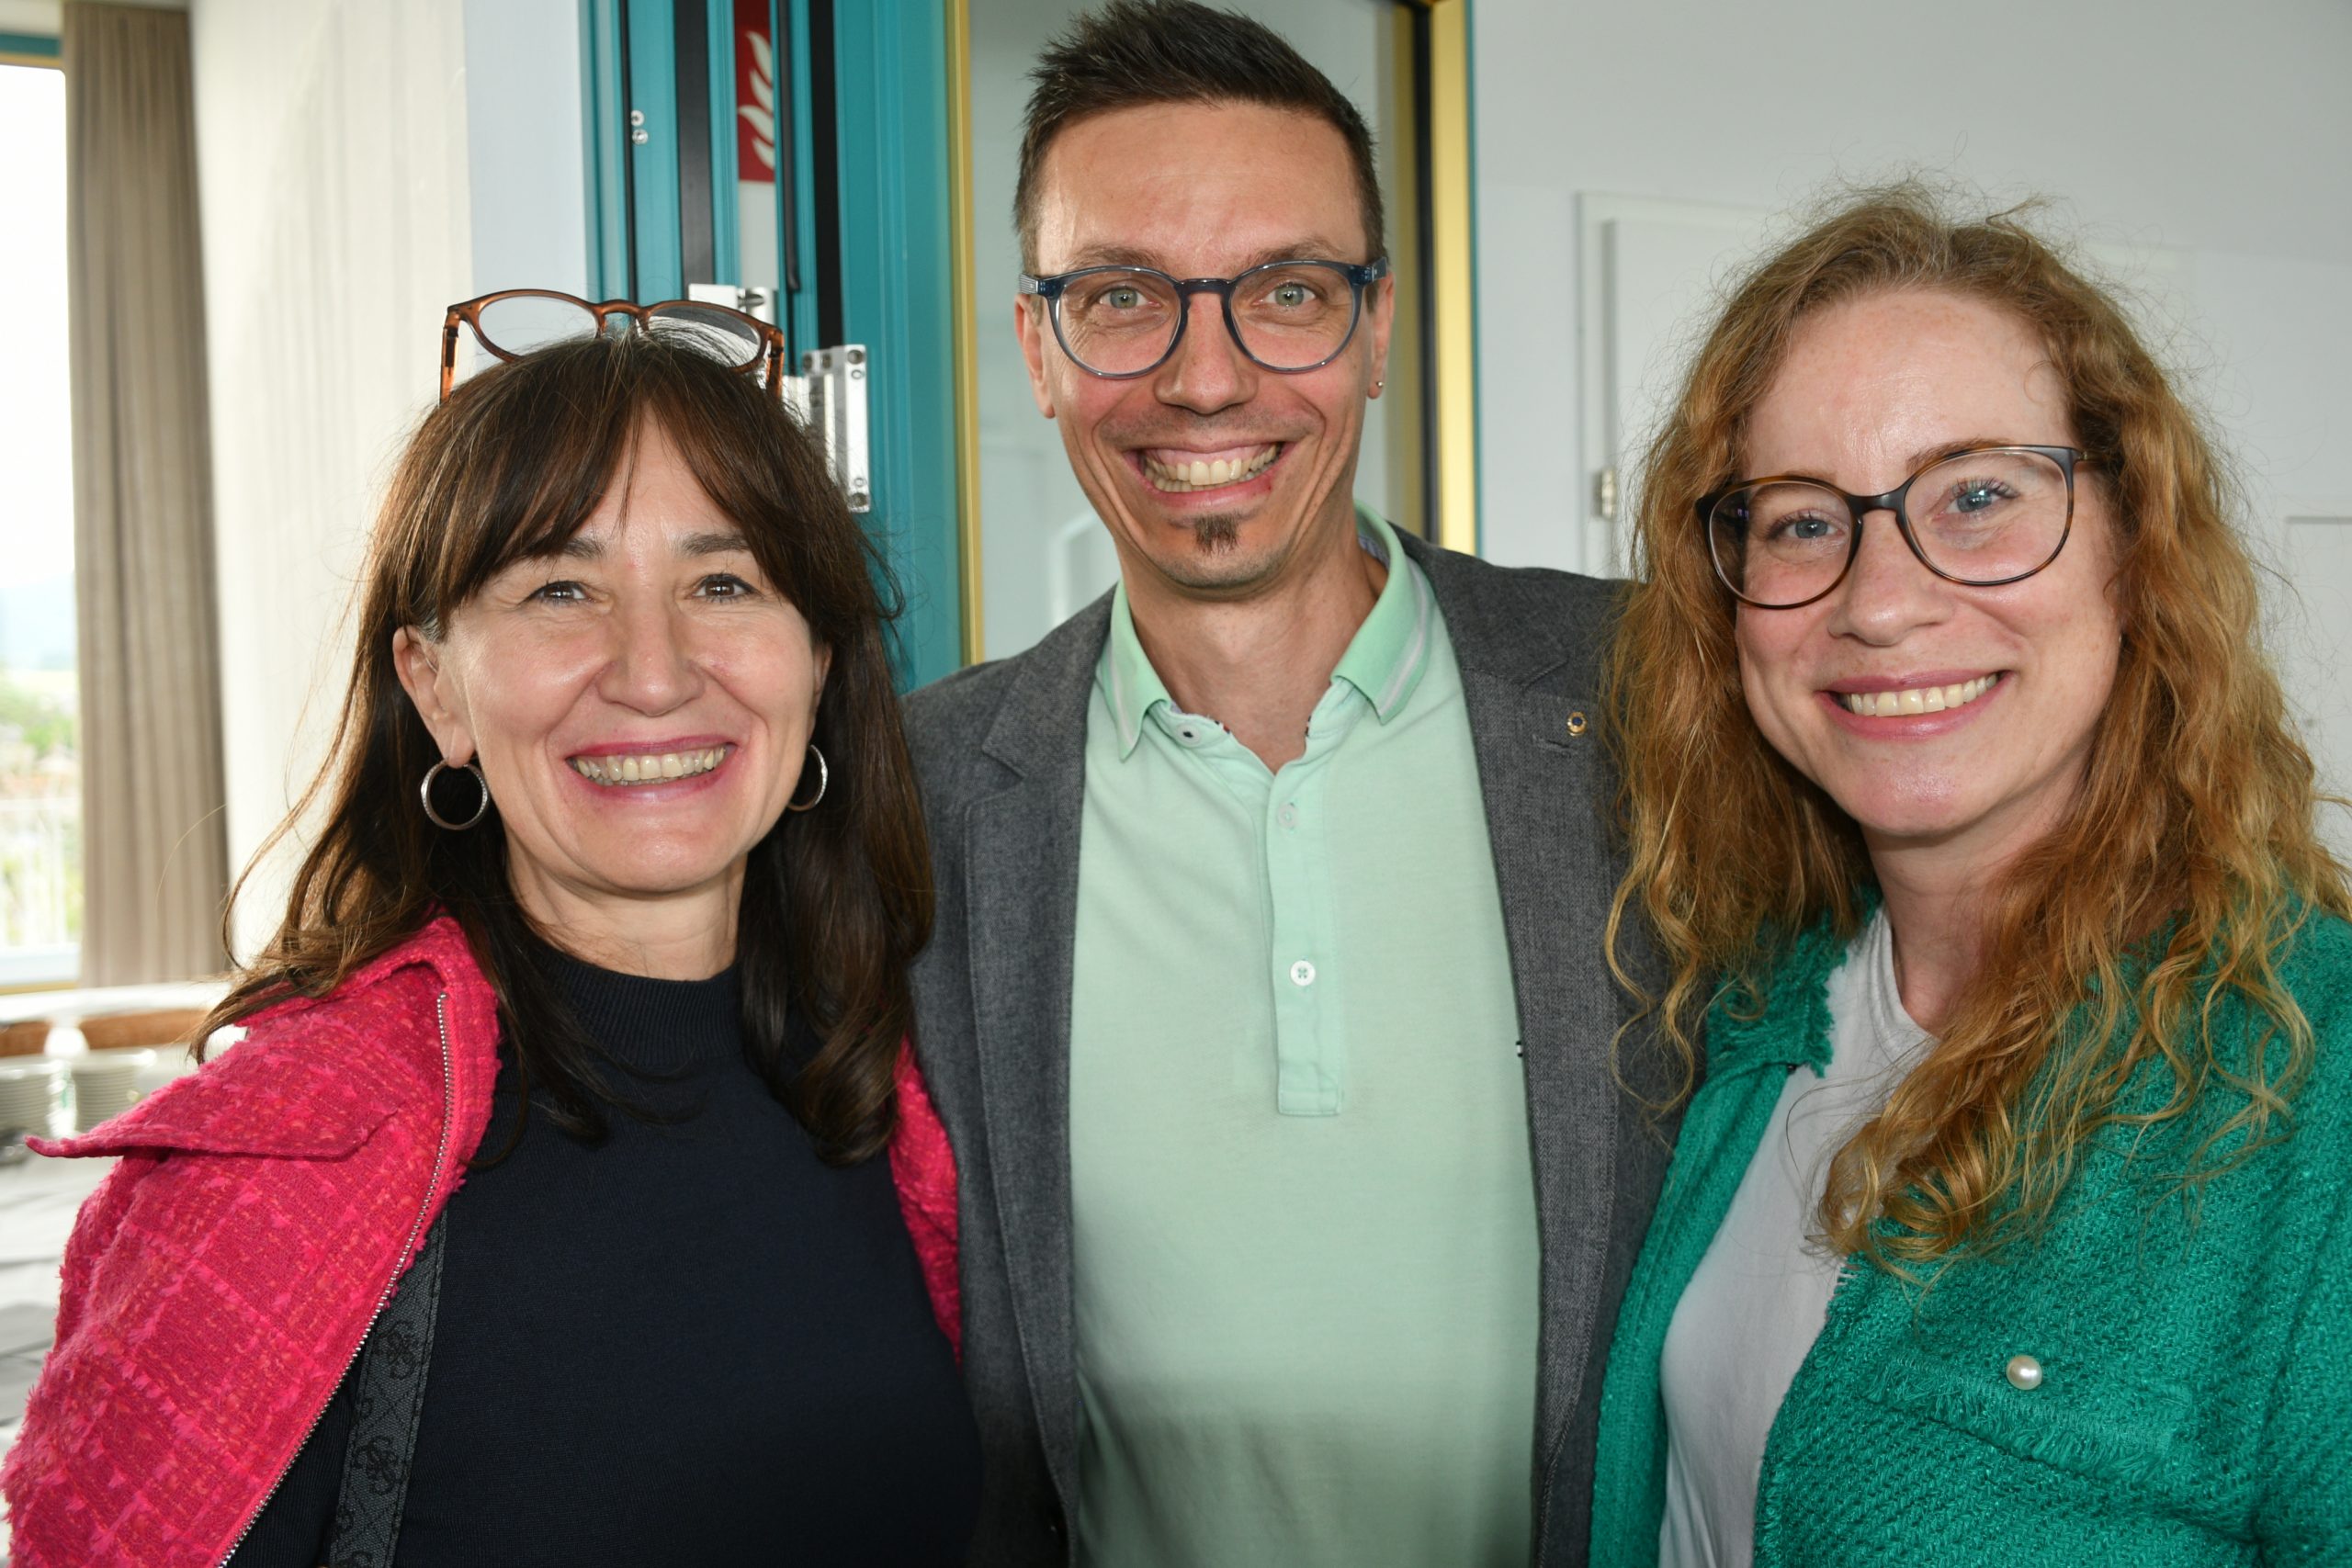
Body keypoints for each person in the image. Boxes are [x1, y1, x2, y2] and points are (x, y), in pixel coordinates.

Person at [2, 305, 982, 1566]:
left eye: (722, 584)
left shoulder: (895, 1092)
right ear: (435, 688)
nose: (653, 672)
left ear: (819, 663)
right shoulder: (283, 1163)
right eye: (561, 590)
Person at [904, 5, 1673, 1564]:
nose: (1207, 379)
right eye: (1122, 298)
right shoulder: (920, 800)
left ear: (1377, 330)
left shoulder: (1652, 704)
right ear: (1039, 348)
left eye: (1288, 293)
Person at [1588, 185, 2352, 1567]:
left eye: (1979, 496)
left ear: (2135, 550)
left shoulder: (2318, 1081)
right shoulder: (1751, 1008)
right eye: (1801, 522)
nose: (1880, 602)